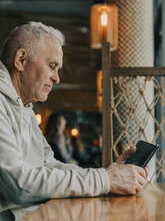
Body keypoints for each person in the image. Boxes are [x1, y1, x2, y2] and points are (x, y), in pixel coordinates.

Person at [0, 21, 148, 207]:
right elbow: (19, 185)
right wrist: (104, 180)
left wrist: (108, 175)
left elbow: (48, 165)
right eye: (52, 66)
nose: (57, 77)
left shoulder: (24, 108)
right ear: (21, 60)